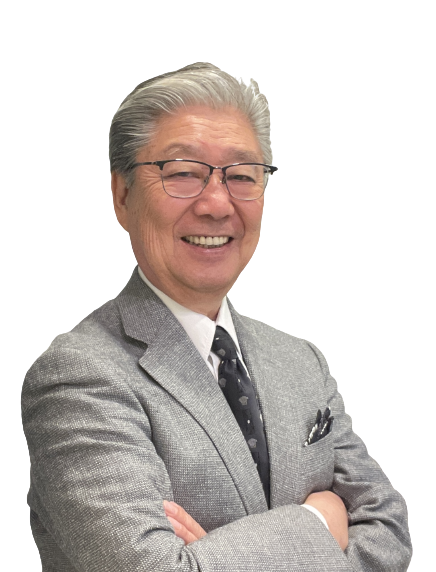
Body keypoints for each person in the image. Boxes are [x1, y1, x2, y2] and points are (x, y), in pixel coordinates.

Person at [21, 63, 412, 571]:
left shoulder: (301, 360)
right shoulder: (79, 375)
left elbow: (389, 534)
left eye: (242, 175)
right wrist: (320, 520)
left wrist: (214, 556)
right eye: (183, 172)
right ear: (122, 195)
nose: (216, 204)